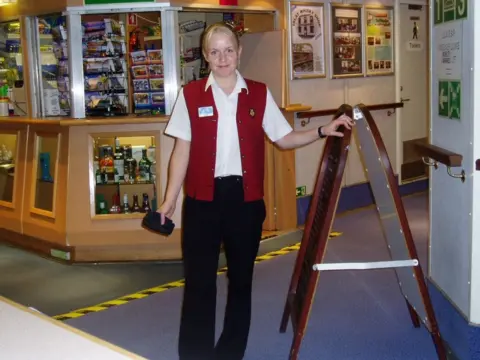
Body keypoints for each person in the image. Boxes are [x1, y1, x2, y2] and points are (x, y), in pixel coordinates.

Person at [158, 22, 354, 360]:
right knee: (199, 283)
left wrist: (323, 129)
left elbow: (284, 138)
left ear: (239, 52)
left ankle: (230, 352)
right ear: (206, 56)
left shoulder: (259, 94)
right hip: (202, 202)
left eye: (228, 50)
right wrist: (169, 199)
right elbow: (181, 151)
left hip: (244, 202)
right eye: (215, 51)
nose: (223, 58)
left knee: (241, 282)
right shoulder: (190, 96)